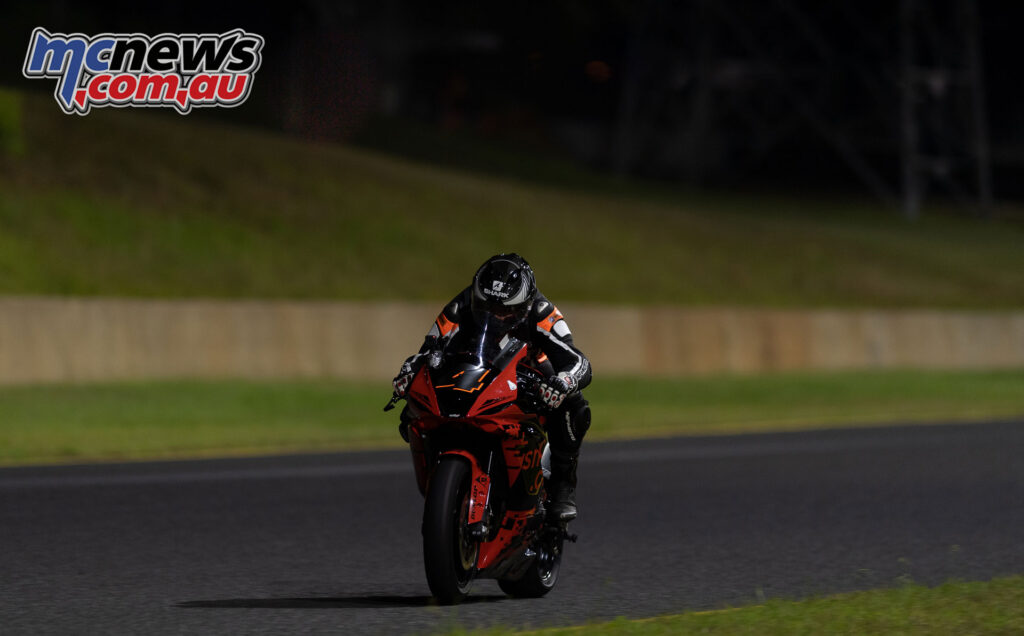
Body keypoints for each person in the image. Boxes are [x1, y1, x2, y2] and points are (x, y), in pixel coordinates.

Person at [391, 253, 592, 522]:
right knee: (415, 400)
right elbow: (428, 351)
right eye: (488, 308)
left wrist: (563, 382)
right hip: (477, 366)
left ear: (524, 305)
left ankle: (563, 485)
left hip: (531, 369)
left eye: (506, 311)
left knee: (574, 406)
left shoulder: (543, 313)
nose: (496, 317)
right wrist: (408, 372)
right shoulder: (461, 305)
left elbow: (578, 361)